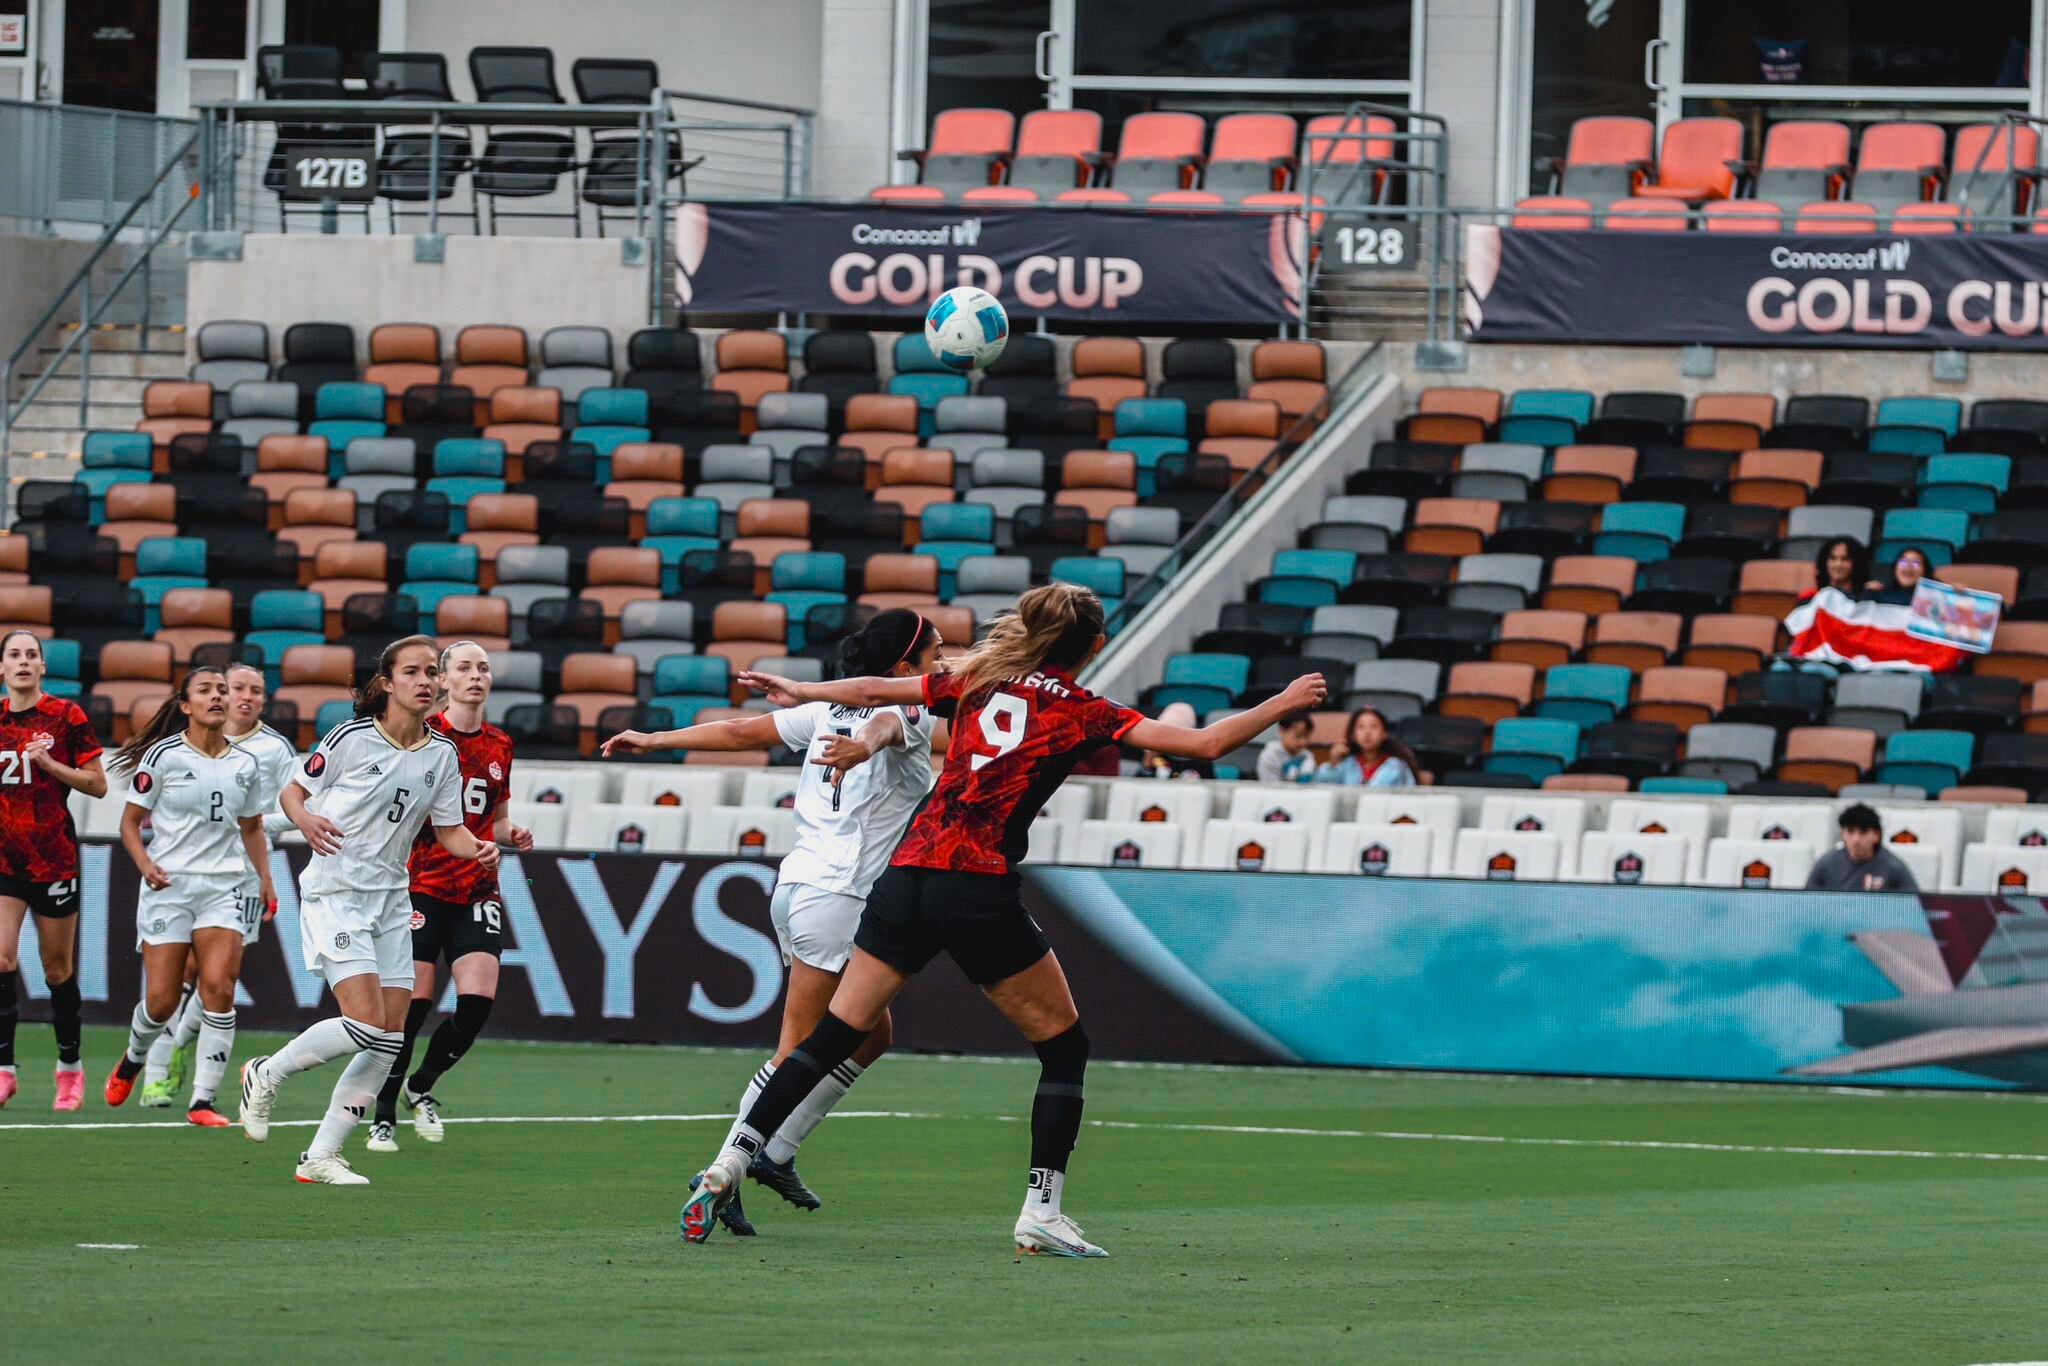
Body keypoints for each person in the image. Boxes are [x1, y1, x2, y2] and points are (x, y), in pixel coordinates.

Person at [680, 582, 1328, 1256]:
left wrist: (802, 688)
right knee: (1063, 1048)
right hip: (975, 886)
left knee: (832, 1036)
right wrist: (1281, 702)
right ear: (1095, 647)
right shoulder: (1084, 709)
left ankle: (729, 1164)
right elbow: (1204, 744)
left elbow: (874, 690)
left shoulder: (978, 679)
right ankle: (1041, 1210)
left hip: (907, 876)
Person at [600, 609, 941, 1235]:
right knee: (798, 1048)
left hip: (798, 887)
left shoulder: (827, 712)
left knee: (872, 1034)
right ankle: (725, 1170)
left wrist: (655, 740)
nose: (943, 663)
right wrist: (868, 745)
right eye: (935, 653)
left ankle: (776, 1153)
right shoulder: (910, 714)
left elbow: (737, 732)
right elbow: (892, 723)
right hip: (838, 897)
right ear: (902, 667)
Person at [237, 636, 501, 1185]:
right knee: (364, 1023)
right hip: (336, 893)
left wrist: (478, 847)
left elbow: (449, 830)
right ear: (386, 683)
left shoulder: (442, 754)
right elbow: (292, 792)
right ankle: (266, 1071)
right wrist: (306, 820)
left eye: (431, 672)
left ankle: (320, 1157)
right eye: (413, 672)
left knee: (389, 1036)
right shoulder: (351, 738)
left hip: (390, 901)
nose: (425, 681)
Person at [368, 642, 534, 1154]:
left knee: (478, 1002)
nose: (475, 676)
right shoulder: (424, 735)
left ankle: (422, 1085)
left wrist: (512, 834)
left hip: (477, 886)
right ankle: (384, 1111)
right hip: (420, 884)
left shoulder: (500, 744)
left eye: (483, 668)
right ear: (443, 680)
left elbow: (496, 818)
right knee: (412, 1006)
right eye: (464, 668)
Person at [102, 668, 274, 1126]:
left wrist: (265, 878)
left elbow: (252, 827)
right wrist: (145, 865)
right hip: (170, 888)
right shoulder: (162, 756)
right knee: (161, 1002)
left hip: (223, 887)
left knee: (219, 986)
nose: (217, 696)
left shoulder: (246, 762)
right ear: (185, 705)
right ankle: (134, 1056)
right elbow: (129, 823)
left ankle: (202, 1101)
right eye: (206, 691)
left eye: (222, 689)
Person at [138, 662, 296, 1110]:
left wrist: (257, 825)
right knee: (175, 975)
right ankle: (155, 1066)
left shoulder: (273, 750)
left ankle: (175, 1058)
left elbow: (297, 804)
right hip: (184, 872)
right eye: (238, 687)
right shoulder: (189, 742)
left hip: (240, 874)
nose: (245, 697)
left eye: (257, 691)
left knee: (217, 980)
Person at [0, 629, 108, 1111]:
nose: (23, 662)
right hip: (5, 859)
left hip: (55, 859)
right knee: (0, 960)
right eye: (14, 655)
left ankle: (70, 1067)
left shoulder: (66, 716)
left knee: (56, 970)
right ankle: (5, 1069)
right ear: (2, 669)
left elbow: (98, 785)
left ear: (42, 667)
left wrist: (49, 763)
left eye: (31, 656)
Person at [1805, 804, 1919, 893]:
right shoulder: (1825, 864)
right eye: (1850, 831)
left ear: (1876, 835)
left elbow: (1915, 907)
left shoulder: (1894, 867)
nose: (1856, 839)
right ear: (1842, 834)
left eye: (1863, 832)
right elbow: (1806, 903)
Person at [1313, 706, 1417, 787]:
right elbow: (1320, 786)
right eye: (1361, 727)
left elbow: (1409, 797)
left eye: (1374, 726)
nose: (1367, 732)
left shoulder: (1397, 767)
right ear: (1353, 735)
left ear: (1385, 734)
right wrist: (1333, 763)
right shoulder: (1347, 764)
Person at [1137, 701, 1212, 779]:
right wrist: (1147, 762)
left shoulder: (1199, 758)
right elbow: (1139, 785)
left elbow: (1211, 784)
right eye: (1164, 734)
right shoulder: (1155, 754)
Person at [1256, 712, 1318, 784]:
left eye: (1307, 737)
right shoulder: (1270, 757)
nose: (1303, 742)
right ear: (1282, 731)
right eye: (1298, 736)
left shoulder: (1307, 756)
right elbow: (1271, 790)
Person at [1805, 538, 1870, 601]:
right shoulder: (1811, 599)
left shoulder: (1867, 598)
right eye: (1832, 558)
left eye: (1845, 559)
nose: (1838, 564)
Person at [1867, 545, 1933, 603]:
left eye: (1916, 562)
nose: (1908, 565)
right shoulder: (1880, 593)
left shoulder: (1934, 599)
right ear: (1895, 568)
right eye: (1903, 561)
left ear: (1925, 571)